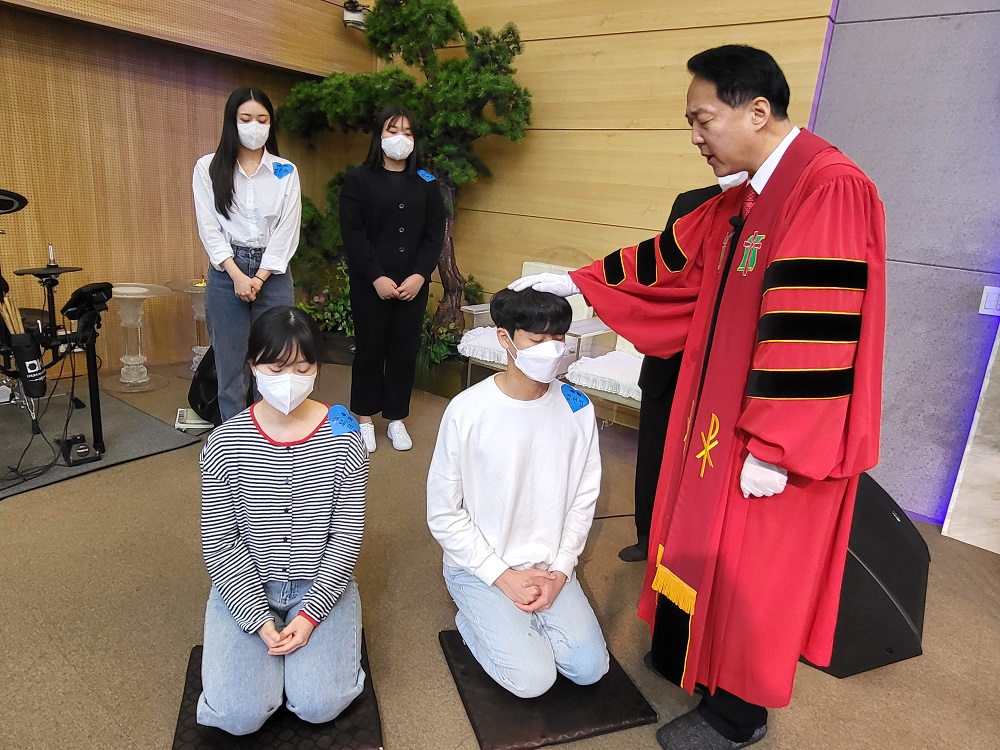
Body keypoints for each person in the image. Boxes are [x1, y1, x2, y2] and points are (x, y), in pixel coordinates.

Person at [512, 45, 886, 749]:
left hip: (775, 437)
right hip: (716, 414)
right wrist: (579, 281)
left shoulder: (828, 187)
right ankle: (697, 661)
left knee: (755, 572)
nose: (695, 137)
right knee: (702, 541)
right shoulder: (744, 198)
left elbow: (815, 328)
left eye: (702, 119)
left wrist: (776, 445)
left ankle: (739, 716)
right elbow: (671, 262)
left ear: (758, 111)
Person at [426, 288, 610, 699]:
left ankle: (526, 617)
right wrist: (501, 575)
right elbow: (443, 512)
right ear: (504, 338)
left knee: (590, 669)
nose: (551, 350)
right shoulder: (467, 411)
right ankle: (472, 619)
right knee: (533, 681)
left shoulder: (577, 407)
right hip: (481, 566)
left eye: (558, 339)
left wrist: (562, 569)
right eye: (537, 339)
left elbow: (584, 498)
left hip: (549, 564)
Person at [197, 306, 368, 735]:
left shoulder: (344, 437)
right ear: (253, 365)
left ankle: (320, 647)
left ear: (317, 368)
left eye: (303, 368)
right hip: (247, 583)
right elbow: (220, 543)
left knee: (318, 705)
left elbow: (346, 536)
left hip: (320, 583)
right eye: (276, 368)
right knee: (237, 715)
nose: (289, 379)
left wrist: (311, 615)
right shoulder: (225, 443)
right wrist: (256, 617)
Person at [618, 175, 746, 563]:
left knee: (703, 460)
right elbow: (664, 269)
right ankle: (647, 535)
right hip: (669, 360)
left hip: (722, 361)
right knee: (653, 453)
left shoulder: (770, 207)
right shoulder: (691, 202)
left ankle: (688, 545)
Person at [340, 105, 447, 453]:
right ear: (379, 135)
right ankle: (365, 419)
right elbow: (353, 234)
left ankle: (397, 418)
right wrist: (376, 276)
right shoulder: (359, 179)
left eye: (407, 132)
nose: (400, 138)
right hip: (371, 283)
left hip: (413, 284)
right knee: (370, 349)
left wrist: (420, 275)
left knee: (404, 350)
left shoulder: (426, 182)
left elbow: (435, 233)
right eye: (392, 130)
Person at [193, 86, 301, 423]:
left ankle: (269, 433)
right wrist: (237, 275)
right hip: (228, 272)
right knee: (230, 363)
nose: (255, 126)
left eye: (262, 119)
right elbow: (209, 226)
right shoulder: (208, 167)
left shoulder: (285, 170)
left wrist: (261, 276)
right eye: (246, 118)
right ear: (232, 121)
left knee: (274, 360)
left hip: (274, 273)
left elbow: (287, 229)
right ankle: (233, 437)